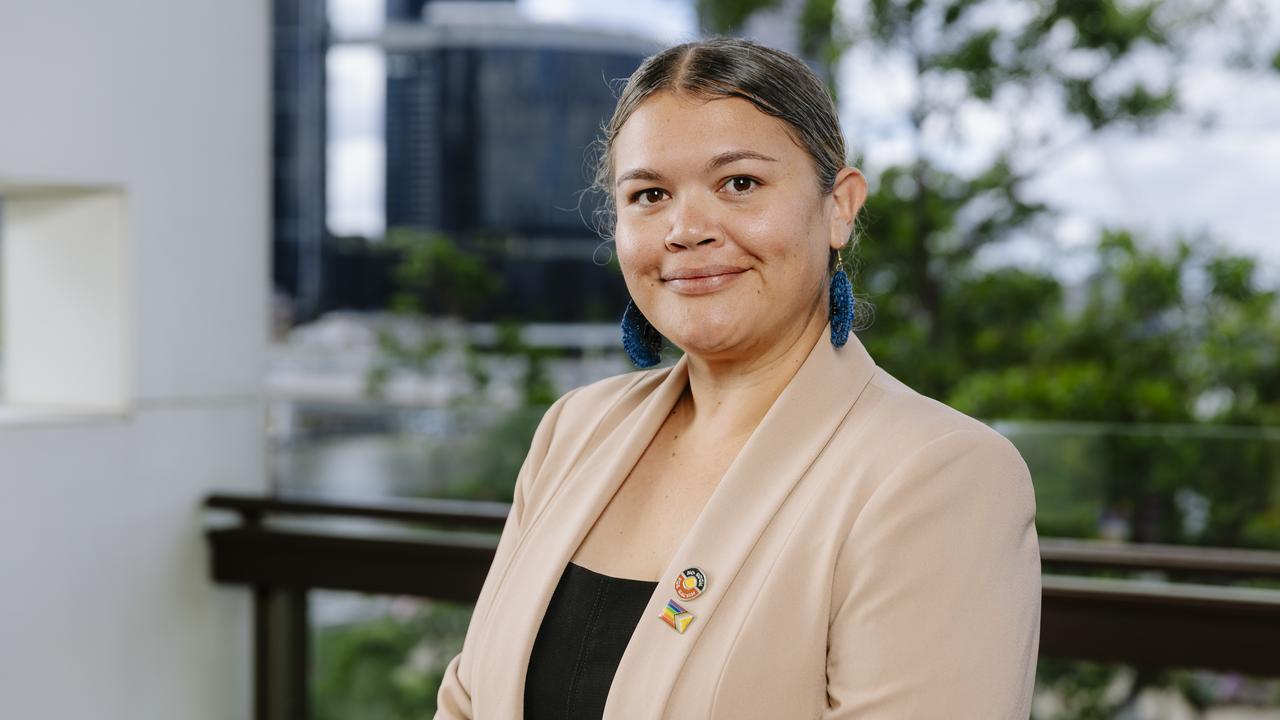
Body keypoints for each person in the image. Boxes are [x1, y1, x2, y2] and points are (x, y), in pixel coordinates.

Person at [434, 37, 1040, 719]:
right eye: (650, 194)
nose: (687, 229)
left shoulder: (942, 474)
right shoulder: (575, 431)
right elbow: (466, 702)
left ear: (839, 206)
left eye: (740, 183)